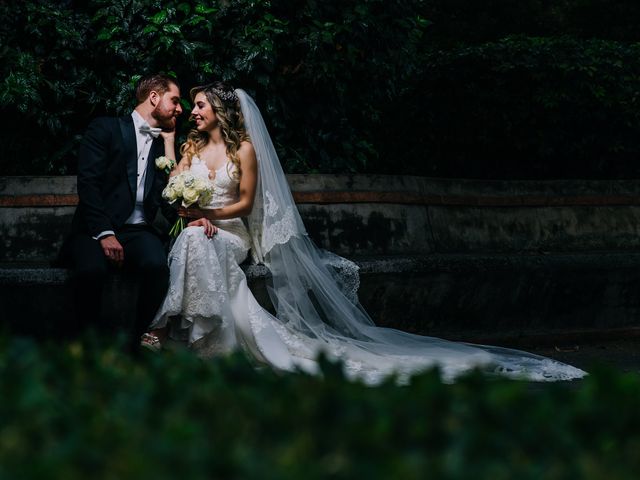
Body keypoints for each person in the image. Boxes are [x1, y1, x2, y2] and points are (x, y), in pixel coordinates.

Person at [143, 81, 586, 383]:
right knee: (191, 239)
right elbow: (174, 192)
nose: (193, 112)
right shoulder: (190, 147)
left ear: (219, 109)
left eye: (199, 105)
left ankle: (176, 332)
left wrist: (205, 210)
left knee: (198, 240)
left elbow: (243, 204)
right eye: (193, 105)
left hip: (232, 231)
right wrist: (184, 186)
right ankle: (192, 336)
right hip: (203, 229)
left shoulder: (245, 149)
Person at [63, 73, 182, 352]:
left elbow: (167, 197)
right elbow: (88, 183)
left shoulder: (162, 146)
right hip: (95, 229)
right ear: (154, 97)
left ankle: (137, 344)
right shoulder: (105, 128)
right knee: (91, 270)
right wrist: (104, 233)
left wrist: (189, 221)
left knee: (156, 265)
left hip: (138, 231)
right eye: (175, 100)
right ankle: (90, 346)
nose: (180, 109)